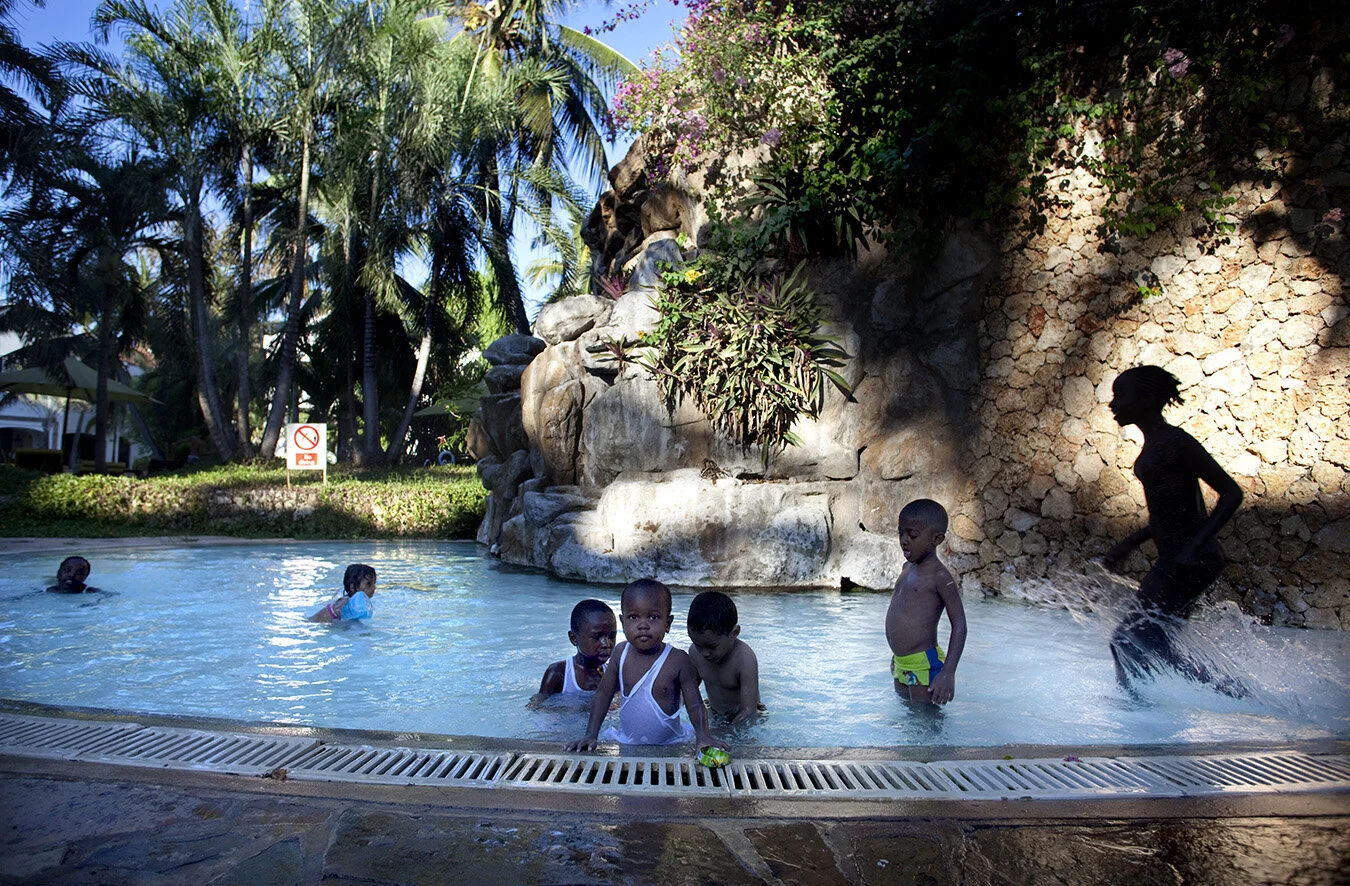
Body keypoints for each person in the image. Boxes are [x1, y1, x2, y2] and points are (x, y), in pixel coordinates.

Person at [1102, 365, 1243, 686]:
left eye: (1121, 396)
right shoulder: (1155, 445)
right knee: (1147, 642)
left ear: (1147, 400)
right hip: (1178, 558)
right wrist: (1131, 543)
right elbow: (1167, 514)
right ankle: (1225, 693)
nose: (1113, 404)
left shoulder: (1176, 442)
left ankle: (1141, 709)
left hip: (1189, 560)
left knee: (1128, 641)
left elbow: (1232, 493)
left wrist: (1195, 545)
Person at [567, 579, 724, 751]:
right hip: (626, 741)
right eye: (633, 617)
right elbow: (603, 695)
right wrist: (591, 734)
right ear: (623, 622)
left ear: (668, 623)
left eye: (653, 617)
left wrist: (703, 736)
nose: (643, 626)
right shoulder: (620, 654)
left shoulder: (678, 660)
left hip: (671, 744)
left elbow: (694, 703)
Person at [886, 499, 967, 705]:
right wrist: (898, 653)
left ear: (936, 539)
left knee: (926, 719)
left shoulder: (939, 577)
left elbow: (959, 624)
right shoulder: (907, 569)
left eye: (912, 535)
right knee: (908, 717)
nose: (904, 540)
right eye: (901, 533)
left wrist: (948, 672)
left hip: (924, 665)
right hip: (902, 662)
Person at [686, 591, 762, 725]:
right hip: (715, 710)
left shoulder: (744, 660)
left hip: (746, 714)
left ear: (734, 633)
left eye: (712, 647)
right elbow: (689, 691)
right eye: (697, 644)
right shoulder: (694, 653)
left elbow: (749, 712)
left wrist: (724, 731)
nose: (704, 653)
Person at [536, 599, 617, 704]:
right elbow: (537, 707)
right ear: (574, 638)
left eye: (612, 636)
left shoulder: (612, 674)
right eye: (597, 637)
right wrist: (580, 709)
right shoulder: (558, 673)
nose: (606, 644)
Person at [308, 564, 377, 623]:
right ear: (352, 587)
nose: (374, 587)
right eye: (368, 584)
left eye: (374, 583)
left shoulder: (357, 602)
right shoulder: (344, 601)